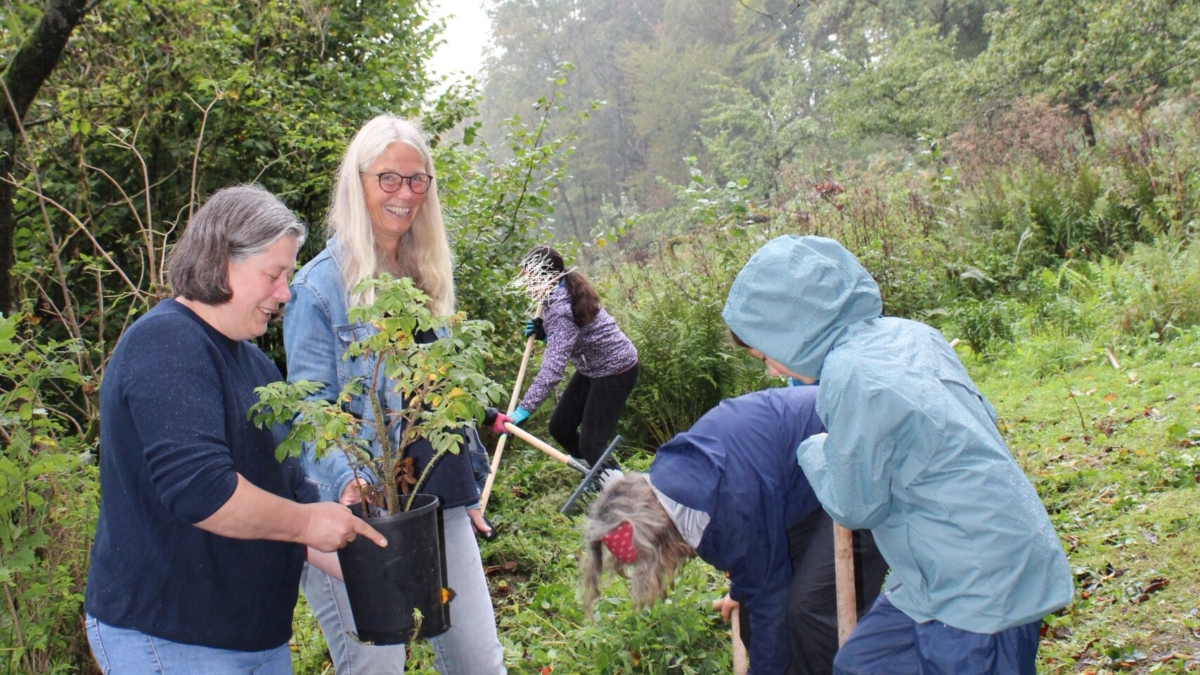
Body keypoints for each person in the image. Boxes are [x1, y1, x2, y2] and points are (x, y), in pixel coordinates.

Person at [721, 235, 1074, 674]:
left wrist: (814, 448)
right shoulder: (911, 334)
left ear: (795, 329)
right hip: (943, 568)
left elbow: (854, 506)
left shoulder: (848, 374)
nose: (772, 369)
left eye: (767, 354)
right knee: (861, 663)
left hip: (976, 587)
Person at [84, 184, 386, 674]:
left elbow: (291, 498)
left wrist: (381, 563)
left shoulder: (258, 368)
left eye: (287, 276)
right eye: (274, 274)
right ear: (222, 259)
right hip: (169, 633)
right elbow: (204, 492)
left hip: (255, 640)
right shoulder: (166, 344)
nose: (285, 293)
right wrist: (309, 522)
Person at [283, 114, 506, 674]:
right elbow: (310, 411)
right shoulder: (319, 289)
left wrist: (468, 484)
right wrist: (349, 482)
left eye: (416, 180)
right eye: (388, 178)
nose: (404, 193)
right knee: (379, 666)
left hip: (434, 507)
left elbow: (442, 396)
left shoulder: (424, 272)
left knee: (478, 661)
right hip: (354, 513)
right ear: (358, 183)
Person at [581, 386, 889, 675]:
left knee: (809, 612)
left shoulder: (726, 511)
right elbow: (754, 553)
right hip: (806, 477)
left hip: (866, 456)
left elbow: (770, 595)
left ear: (662, 541)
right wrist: (741, 590)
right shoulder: (674, 477)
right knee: (754, 624)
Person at [507, 246, 639, 468]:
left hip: (617, 370)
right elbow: (575, 335)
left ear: (546, 277)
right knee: (560, 427)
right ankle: (595, 475)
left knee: (592, 445)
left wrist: (524, 409)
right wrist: (546, 335)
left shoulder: (560, 308)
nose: (527, 286)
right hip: (593, 368)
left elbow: (551, 371)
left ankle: (620, 492)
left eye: (530, 280)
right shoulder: (560, 287)